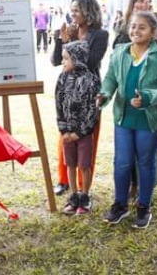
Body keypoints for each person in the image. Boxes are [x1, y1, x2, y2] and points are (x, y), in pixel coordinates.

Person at [99, 11, 157, 229]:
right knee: (122, 162)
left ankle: (144, 205)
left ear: (153, 32)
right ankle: (120, 204)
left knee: (145, 162)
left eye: (142, 27)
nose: (135, 30)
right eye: (133, 26)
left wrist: (149, 98)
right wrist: (104, 94)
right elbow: (110, 79)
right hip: (124, 119)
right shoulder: (119, 53)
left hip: (150, 121)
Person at [51, 0, 108, 196]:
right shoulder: (68, 30)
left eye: (76, 10)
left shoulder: (100, 35)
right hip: (68, 91)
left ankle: (84, 188)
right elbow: (55, 60)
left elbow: (89, 62)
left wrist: (72, 41)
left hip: (89, 93)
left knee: (86, 138)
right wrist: (61, 40)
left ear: (88, 11)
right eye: (72, 9)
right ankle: (64, 180)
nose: (72, 14)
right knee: (65, 138)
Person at [55, 41, 100, 215]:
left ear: (78, 58)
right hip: (67, 134)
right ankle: (73, 196)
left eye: (66, 58)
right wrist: (64, 130)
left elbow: (91, 109)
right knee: (70, 164)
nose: (63, 62)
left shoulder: (90, 80)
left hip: (83, 133)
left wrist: (79, 132)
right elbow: (59, 105)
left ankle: (85, 195)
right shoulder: (62, 78)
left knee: (84, 165)